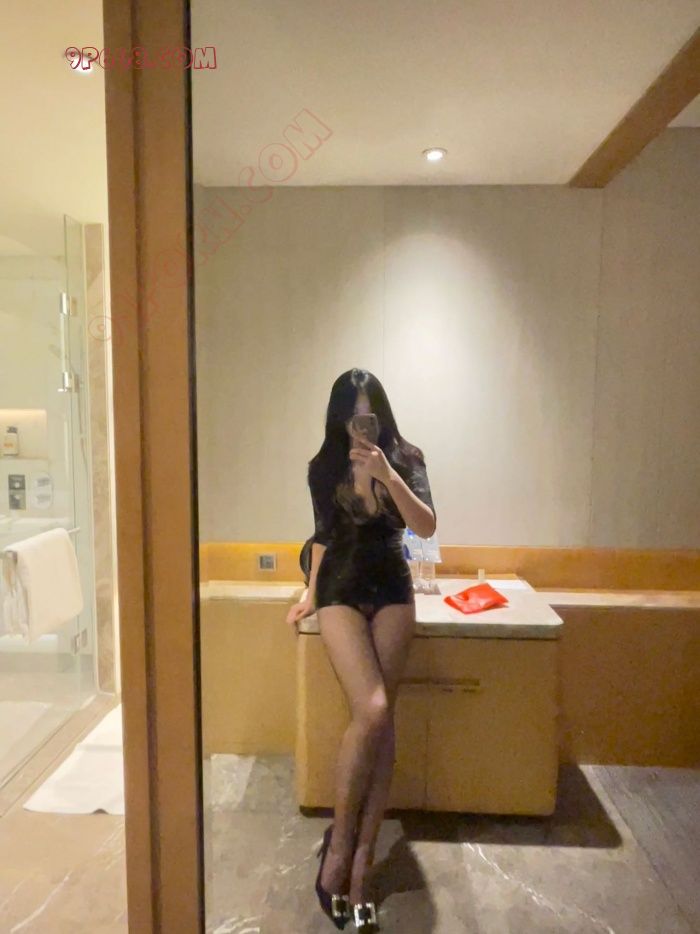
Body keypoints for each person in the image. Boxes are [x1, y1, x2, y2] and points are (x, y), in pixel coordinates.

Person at [286, 368, 437, 931]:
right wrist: (309, 591)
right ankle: (340, 847)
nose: (360, 425)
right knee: (371, 708)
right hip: (341, 588)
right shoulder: (323, 466)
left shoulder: (407, 457)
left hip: (392, 586)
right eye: (351, 415)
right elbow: (324, 536)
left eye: (368, 413)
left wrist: (387, 475)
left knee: (383, 719)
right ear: (338, 418)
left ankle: (362, 863)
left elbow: (425, 527)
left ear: (381, 414)